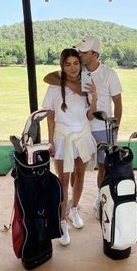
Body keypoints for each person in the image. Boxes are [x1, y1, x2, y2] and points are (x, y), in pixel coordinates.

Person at [44, 36, 122, 219]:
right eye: (78, 53)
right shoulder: (79, 71)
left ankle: (98, 200)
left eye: (83, 53)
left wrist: (116, 124)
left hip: (101, 127)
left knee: (102, 167)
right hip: (81, 128)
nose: (79, 55)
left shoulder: (108, 73)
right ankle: (69, 209)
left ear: (95, 54)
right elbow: (49, 77)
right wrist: (73, 85)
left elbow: (117, 102)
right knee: (70, 174)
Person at [42, 48, 97, 245]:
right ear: (62, 66)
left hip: (82, 135)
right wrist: (50, 140)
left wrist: (95, 100)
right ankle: (63, 222)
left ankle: (74, 209)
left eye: (76, 63)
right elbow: (50, 116)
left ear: (80, 64)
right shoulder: (54, 86)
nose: (73, 67)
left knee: (79, 175)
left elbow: (90, 116)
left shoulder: (86, 85)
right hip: (63, 138)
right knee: (63, 180)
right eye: (68, 64)